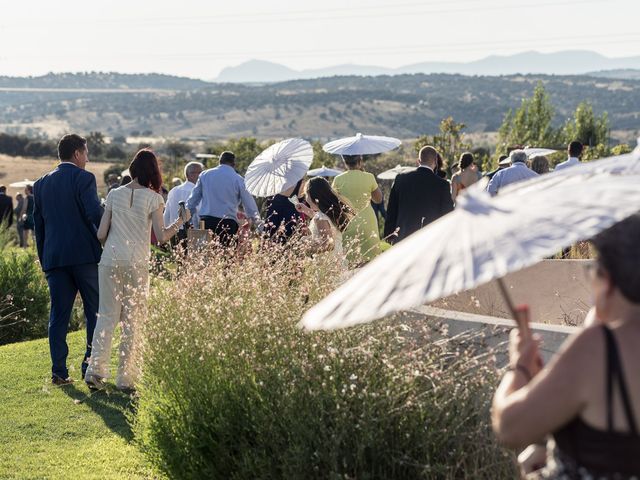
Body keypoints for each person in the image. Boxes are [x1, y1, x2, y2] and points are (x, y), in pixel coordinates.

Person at [492, 213, 640, 478]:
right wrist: (549, 447)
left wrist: (520, 367)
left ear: (608, 279)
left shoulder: (599, 348)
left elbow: (510, 427)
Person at [85, 149, 189, 391]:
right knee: (133, 320)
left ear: (132, 169)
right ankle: (126, 378)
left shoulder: (113, 194)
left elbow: (100, 234)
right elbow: (162, 236)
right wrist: (181, 221)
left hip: (110, 259)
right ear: (153, 172)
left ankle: (95, 371)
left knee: (107, 317)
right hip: (136, 263)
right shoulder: (154, 199)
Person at [33, 134, 103, 386]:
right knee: (94, 311)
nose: (87, 158)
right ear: (76, 154)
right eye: (86, 153)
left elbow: (38, 227)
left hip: (54, 258)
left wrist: (44, 258)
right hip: (84, 255)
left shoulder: (40, 184)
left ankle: (59, 372)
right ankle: (89, 365)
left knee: (58, 315)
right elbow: (93, 213)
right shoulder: (84, 178)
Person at [187, 151, 261, 247]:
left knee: (205, 254)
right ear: (234, 164)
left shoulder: (205, 175)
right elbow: (249, 206)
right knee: (225, 256)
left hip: (206, 221)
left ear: (220, 161)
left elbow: (193, 200)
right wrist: (260, 225)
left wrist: (187, 219)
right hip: (227, 223)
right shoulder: (238, 179)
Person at [384, 146, 454, 244]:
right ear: (435, 161)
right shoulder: (442, 185)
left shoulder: (401, 179)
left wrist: (389, 235)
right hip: (430, 239)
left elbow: (392, 210)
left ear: (418, 161)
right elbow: (447, 213)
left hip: (403, 237)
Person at [332, 155, 382, 264]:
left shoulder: (338, 179)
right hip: (368, 221)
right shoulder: (369, 177)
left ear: (345, 163)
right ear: (360, 162)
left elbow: (335, 202)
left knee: (351, 260)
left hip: (347, 221)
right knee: (371, 259)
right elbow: (378, 199)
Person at [294, 177, 353, 264]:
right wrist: (305, 210)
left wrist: (305, 248)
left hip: (326, 263)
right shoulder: (329, 213)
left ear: (313, 196)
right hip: (337, 260)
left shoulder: (320, 218)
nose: (306, 198)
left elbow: (328, 245)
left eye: (306, 195)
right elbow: (322, 220)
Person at [164, 161, 203, 244]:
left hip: (173, 232)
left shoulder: (173, 191)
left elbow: (167, 214)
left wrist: (165, 233)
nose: (202, 175)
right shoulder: (196, 192)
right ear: (191, 174)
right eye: (201, 173)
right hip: (192, 233)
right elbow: (199, 214)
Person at [263, 179, 304, 243]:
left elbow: (299, 199)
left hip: (287, 215)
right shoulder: (275, 179)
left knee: (272, 240)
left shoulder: (274, 179)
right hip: (280, 214)